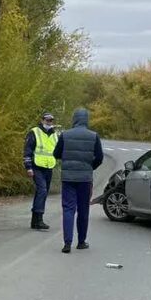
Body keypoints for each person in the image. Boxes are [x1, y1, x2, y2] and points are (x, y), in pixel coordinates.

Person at [52, 108, 104, 254]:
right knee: (83, 210)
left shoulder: (65, 135)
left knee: (68, 209)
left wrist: (67, 161)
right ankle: (81, 242)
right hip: (85, 179)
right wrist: (89, 167)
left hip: (68, 177)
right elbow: (99, 157)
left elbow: (56, 153)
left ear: (74, 119)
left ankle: (67, 243)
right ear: (86, 119)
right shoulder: (94, 136)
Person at [23, 112, 59, 231]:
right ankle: (39, 219)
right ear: (42, 120)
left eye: (51, 121)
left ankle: (34, 221)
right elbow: (27, 150)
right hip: (36, 166)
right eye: (47, 120)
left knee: (42, 192)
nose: (49, 123)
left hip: (48, 167)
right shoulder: (34, 132)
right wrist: (28, 167)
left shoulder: (54, 134)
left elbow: (57, 150)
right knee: (42, 190)